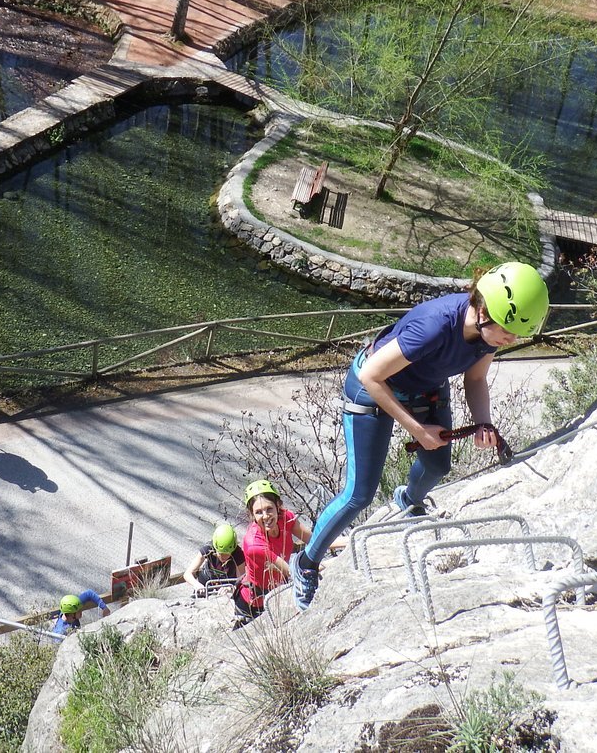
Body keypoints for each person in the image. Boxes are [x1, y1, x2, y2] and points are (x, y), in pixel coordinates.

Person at [290, 261, 549, 612]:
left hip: (425, 387)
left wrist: (483, 421)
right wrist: (416, 428)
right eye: (508, 330)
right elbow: (371, 376)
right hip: (373, 389)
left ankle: (407, 501)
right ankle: (306, 563)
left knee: (438, 465)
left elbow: (474, 380)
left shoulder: (488, 333)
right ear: (484, 310)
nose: (511, 340)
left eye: (517, 334)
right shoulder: (434, 327)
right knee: (359, 494)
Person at [234, 479, 312, 625]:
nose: (265, 516)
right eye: (258, 512)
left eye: (269, 509)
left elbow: (315, 542)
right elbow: (291, 572)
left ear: (278, 506)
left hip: (277, 593)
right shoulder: (253, 544)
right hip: (253, 604)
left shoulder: (286, 518)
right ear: (252, 515)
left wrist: (350, 541)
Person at [184, 523, 246, 597]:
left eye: (227, 554)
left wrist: (231, 588)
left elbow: (242, 580)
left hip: (228, 582)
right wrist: (196, 584)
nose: (223, 557)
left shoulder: (238, 554)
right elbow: (187, 574)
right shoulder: (208, 549)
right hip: (207, 579)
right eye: (221, 553)